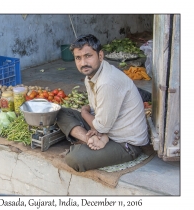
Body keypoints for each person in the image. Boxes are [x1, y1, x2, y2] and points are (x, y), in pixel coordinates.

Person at [56, 34, 149, 172]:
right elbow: (97, 113)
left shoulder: (107, 82)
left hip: (126, 143)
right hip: (106, 130)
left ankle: (92, 141)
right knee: (60, 112)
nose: (83, 63)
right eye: (78, 58)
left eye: (88, 56)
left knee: (74, 158)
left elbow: (101, 126)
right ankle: (89, 140)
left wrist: (84, 112)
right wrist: (96, 134)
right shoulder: (91, 76)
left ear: (100, 56)